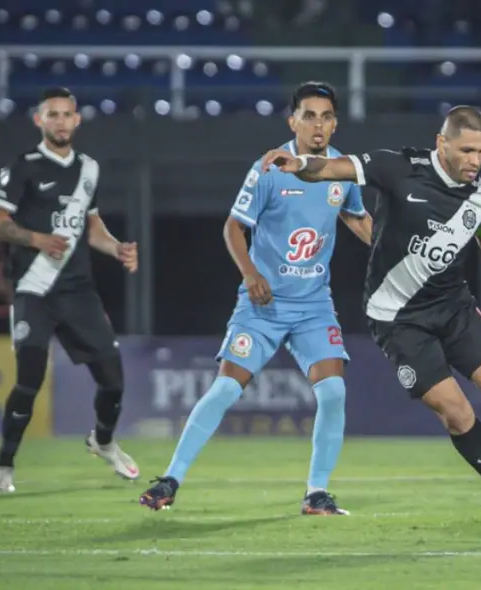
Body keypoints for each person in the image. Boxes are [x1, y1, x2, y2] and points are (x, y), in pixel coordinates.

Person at [260, 105, 481, 514]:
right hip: (398, 318)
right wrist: (299, 164)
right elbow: (331, 169)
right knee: (456, 412)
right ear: (442, 143)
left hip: (453, 306)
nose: (476, 160)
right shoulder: (398, 167)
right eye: (468, 150)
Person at [139, 82, 372, 515]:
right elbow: (233, 227)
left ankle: (316, 493)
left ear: (335, 123)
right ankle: (170, 480)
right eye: (309, 115)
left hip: (313, 306)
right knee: (226, 388)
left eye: (325, 116)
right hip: (262, 306)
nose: (317, 124)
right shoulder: (269, 168)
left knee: (334, 392)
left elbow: (357, 219)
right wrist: (250, 275)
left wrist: (395, 253)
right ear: (293, 121)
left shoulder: (342, 170)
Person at [0, 87, 140, 492]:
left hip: (78, 293)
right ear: (39, 121)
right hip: (34, 290)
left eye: (66, 114)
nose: (59, 121)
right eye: (51, 114)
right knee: (29, 380)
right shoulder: (24, 167)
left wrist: (117, 248)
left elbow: (91, 227)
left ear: (77, 121)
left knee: (113, 379)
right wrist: (36, 239)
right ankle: (5, 465)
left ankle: (103, 442)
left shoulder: (89, 169)